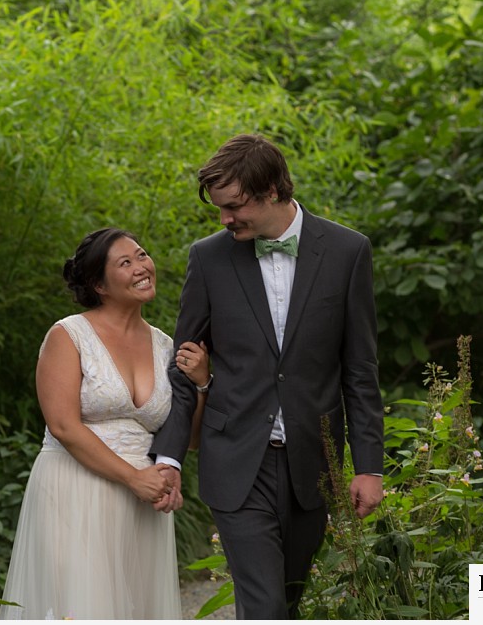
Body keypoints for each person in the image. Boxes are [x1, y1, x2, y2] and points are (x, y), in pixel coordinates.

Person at [151, 134, 385, 619]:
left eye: (234, 207)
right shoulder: (208, 258)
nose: (225, 219)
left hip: (311, 462)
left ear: (274, 189)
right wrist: (170, 455)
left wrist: (369, 466)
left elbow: (359, 371)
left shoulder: (347, 251)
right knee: (264, 605)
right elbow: (183, 366)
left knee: (288, 599)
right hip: (236, 459)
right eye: (219, 209)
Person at [0, 227, 210, 620]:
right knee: (80, 606)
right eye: (125, 263)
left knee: (136, 607)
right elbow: (63, 425)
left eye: (142, 255)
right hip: (76, 490)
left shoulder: (166, 345)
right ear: (99, 284)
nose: (141, 267)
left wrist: (201, 383)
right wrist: (134, 478)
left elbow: (192, 438)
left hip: (143, 501)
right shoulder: (68, 335)